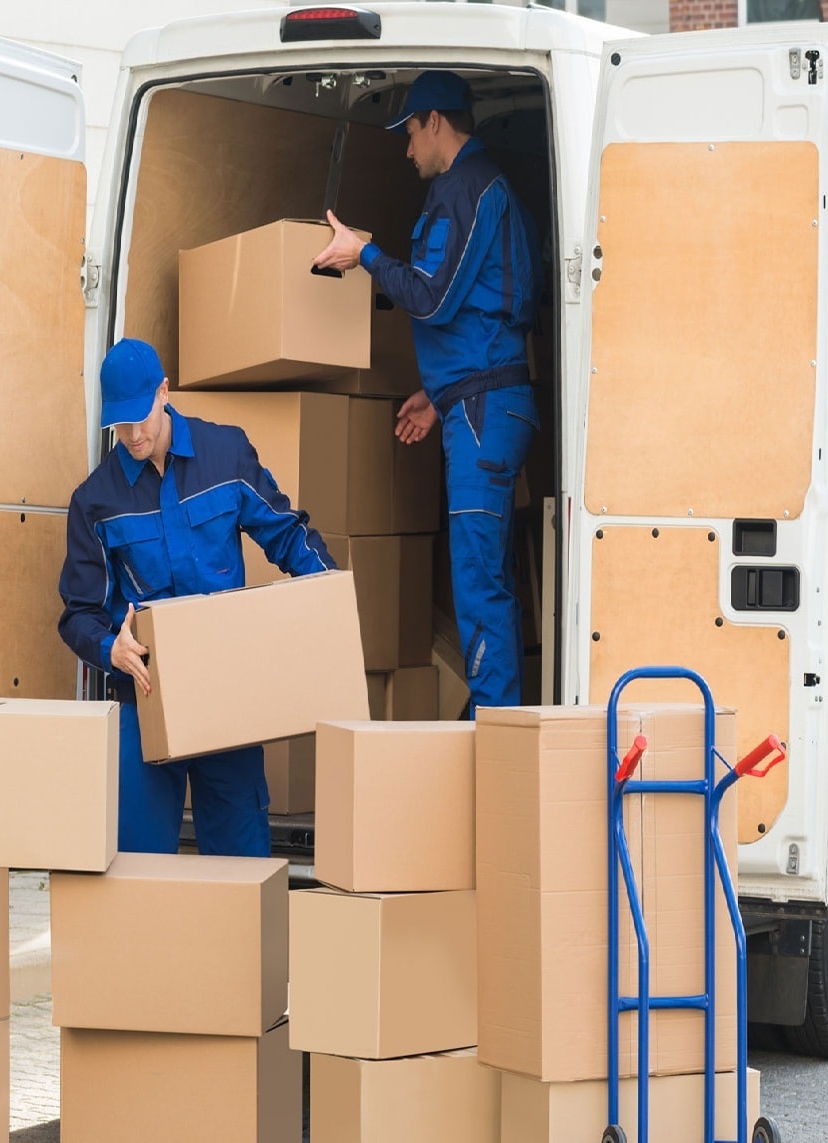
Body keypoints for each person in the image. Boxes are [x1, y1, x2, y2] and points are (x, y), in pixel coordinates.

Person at [314, 70, 541, 712]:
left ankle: (493, 728)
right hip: (479, 403)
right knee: (487, 575)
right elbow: (486, 308)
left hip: (483, 413)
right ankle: (492, 715)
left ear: (436, 122)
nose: (407, 149)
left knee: (477, 582)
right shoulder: (494, 189)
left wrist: (364, 254)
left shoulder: (461, 189)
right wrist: (437, 394)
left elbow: (431, 296)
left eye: (410, 132)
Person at [58, 337, 335, 856]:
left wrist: (331, 599)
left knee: (240, 862)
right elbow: (78, 614)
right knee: (136, 864)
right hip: (145, 696)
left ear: (164, 392)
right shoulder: (95, 501)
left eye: (141, 417)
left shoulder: (225, 454)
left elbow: (287, 535)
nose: (133, 435)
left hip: (226, 694)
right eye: (120, 424)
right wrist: (107, 650)